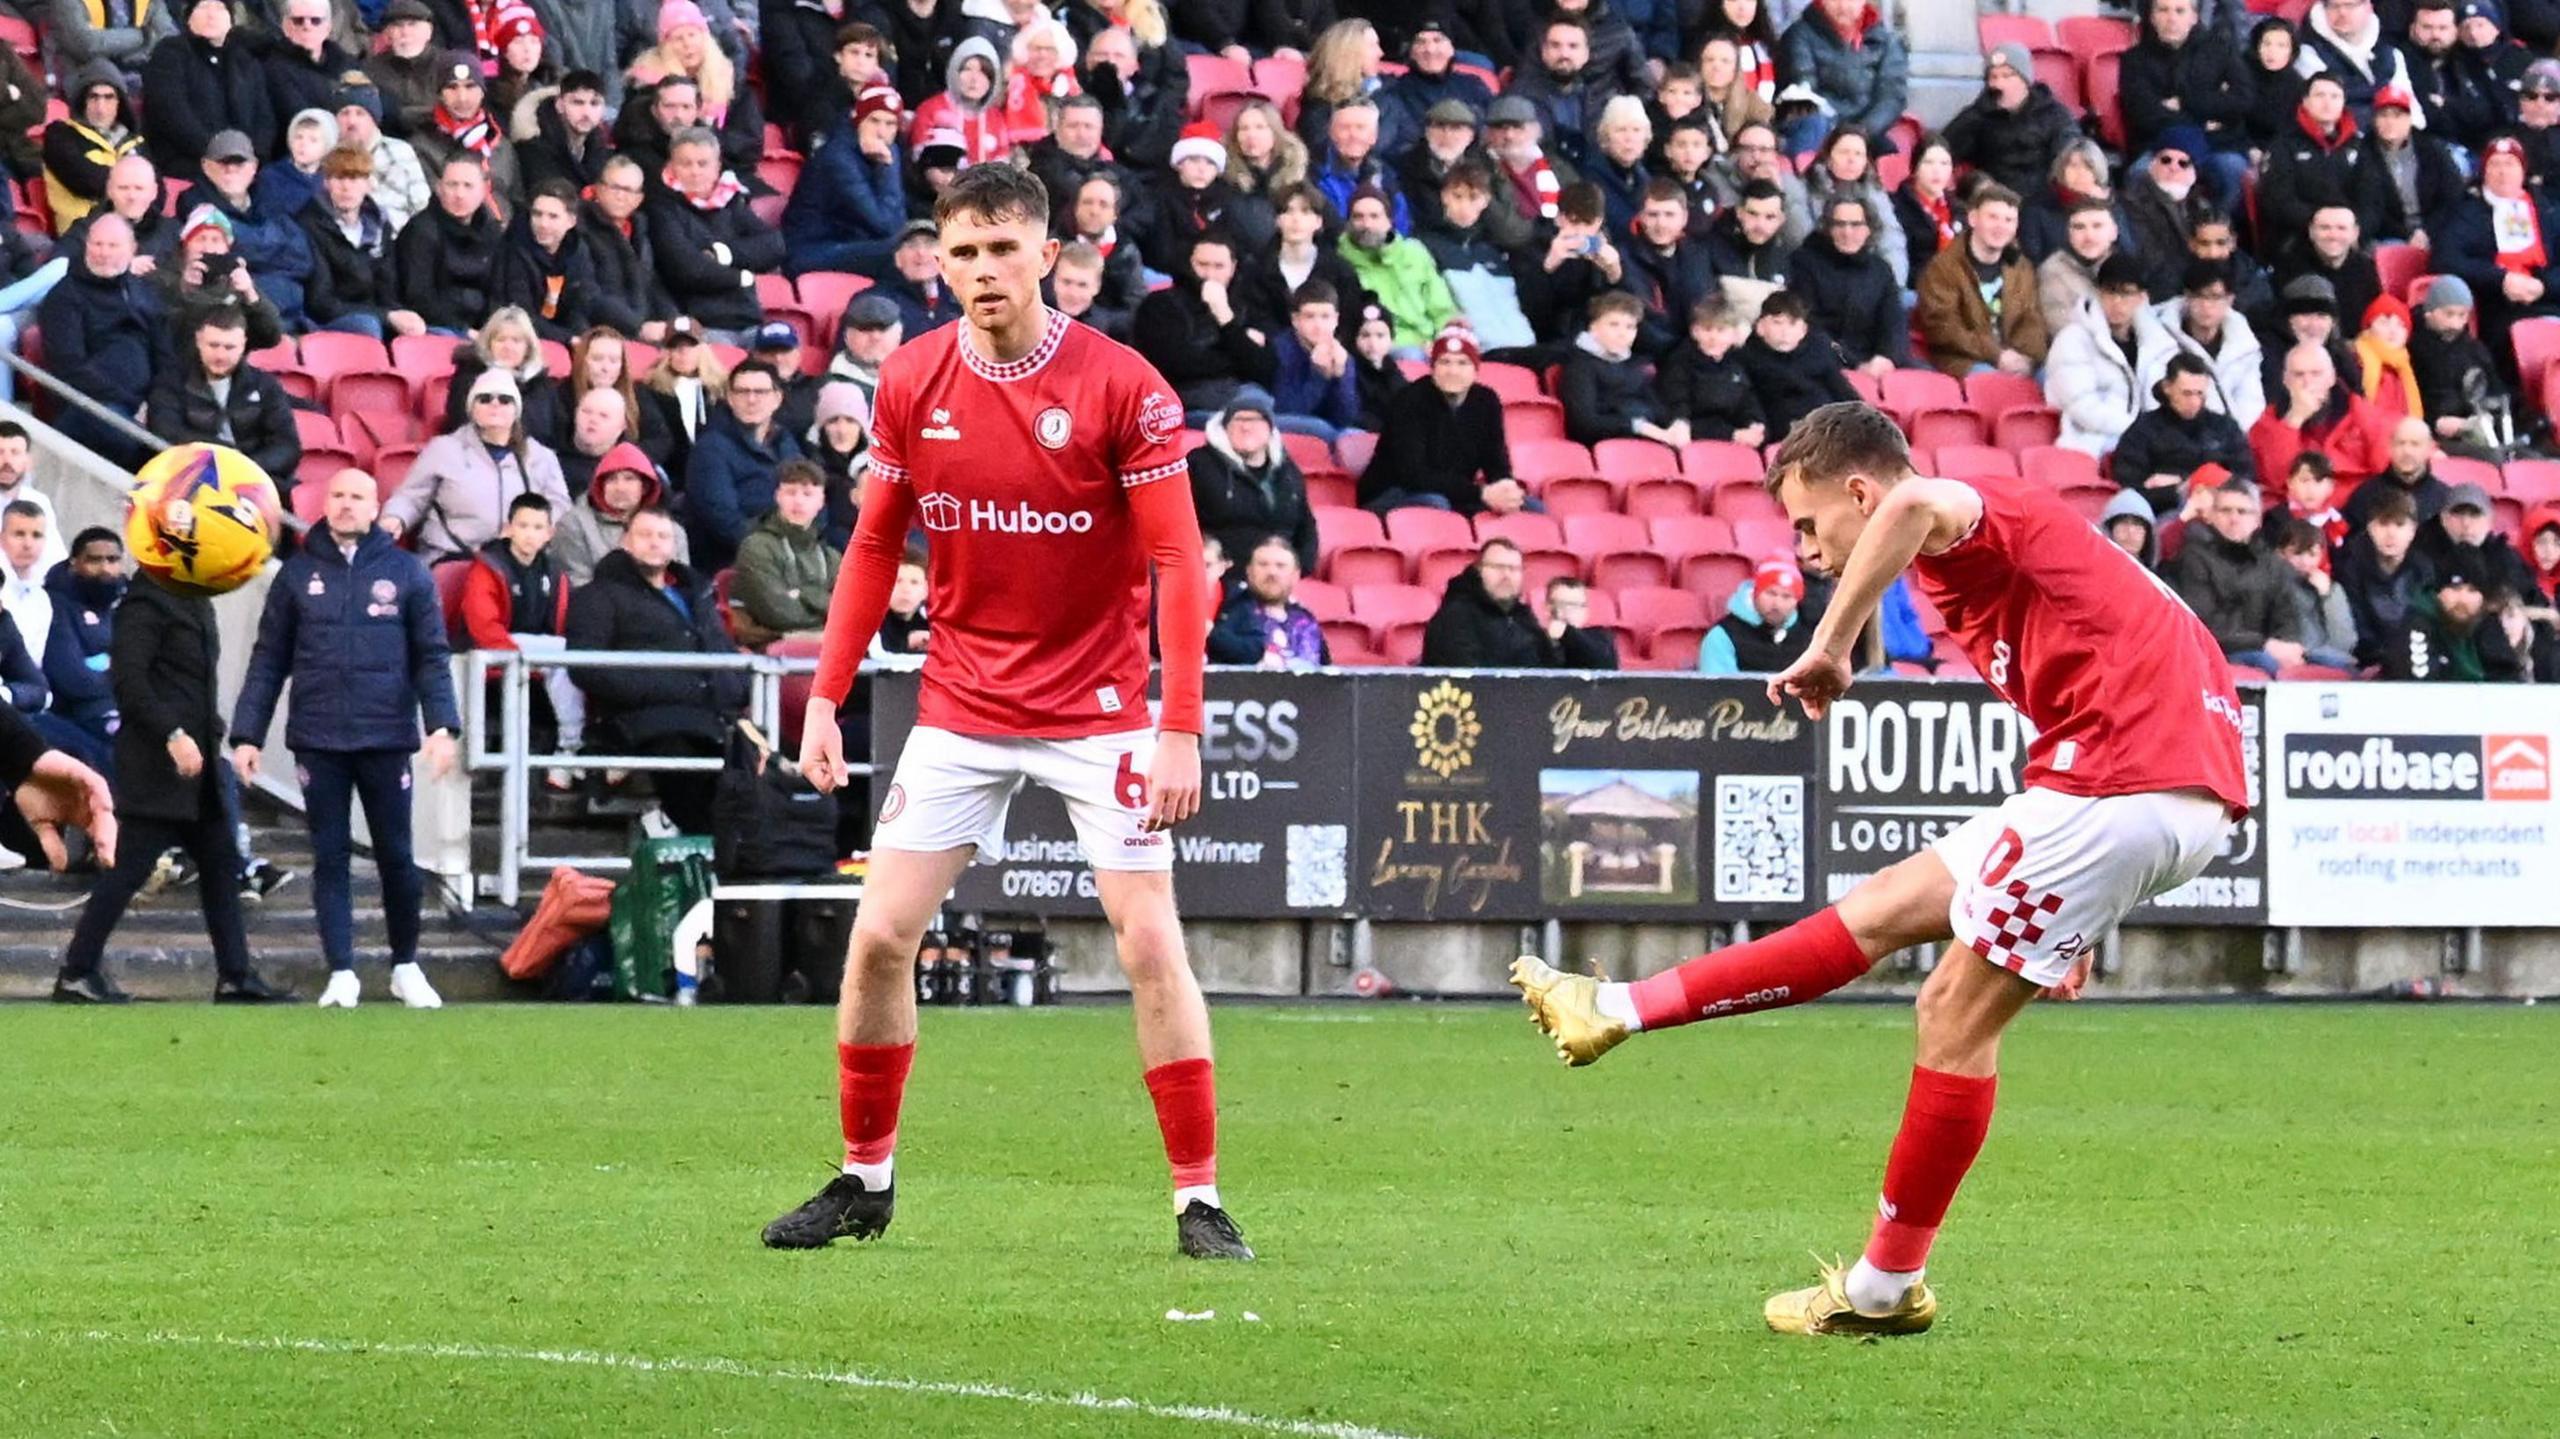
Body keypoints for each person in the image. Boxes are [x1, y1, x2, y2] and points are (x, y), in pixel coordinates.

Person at [1511, 401, 2249, 1337]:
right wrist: (2089, 905)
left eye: (1812, 525)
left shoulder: (1963, 514)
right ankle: (1611, 1009)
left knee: (1948, 1014)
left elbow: (1909, 509)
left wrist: (1830, 644)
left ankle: (1881, 1288)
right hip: (2137, 786)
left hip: (2123, 785)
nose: (1811, 552)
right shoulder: (2022, 552)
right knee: (1882, 909)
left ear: (1857, 489)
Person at [764, 164, 1249, 1263]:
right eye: (961, 251)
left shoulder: (1126, 386)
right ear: (938, 257)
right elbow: (875, 547)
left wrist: (1180, 723)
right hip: (962, 698)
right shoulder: (912, 377)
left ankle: (1198, 1197)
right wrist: (825, 698)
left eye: (1000, 250)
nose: (980, 270)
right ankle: (864, 1178)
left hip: (1102, 707)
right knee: (881, 933)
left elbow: (1179, 562)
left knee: (1145, 939)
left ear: (1046, 256)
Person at [231, 469, 460, 1009]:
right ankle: (342, 972)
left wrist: (443, 727)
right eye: (337, 495)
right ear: (323, 502)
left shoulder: (406, 573)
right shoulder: (296, 575)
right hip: (319, 738)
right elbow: (269, 659)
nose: (346, 505)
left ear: (376, 506)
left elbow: (431, 655)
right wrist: (247, 734)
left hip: (386, 737)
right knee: (329, 856)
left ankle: (405, 965)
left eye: (357, 496)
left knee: (397, 858)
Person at [47, 549, 281, 1003]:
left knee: (219, 866)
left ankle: (235, 974)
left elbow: (193, 684)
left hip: (198, 766)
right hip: (159, 767)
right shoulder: (145, 602)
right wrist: (171, 733)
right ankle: (77, 971)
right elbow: (130, 682)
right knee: (128, 870)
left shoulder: (191, 600)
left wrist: (211, 735)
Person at [564, 503, 740, 828]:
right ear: (624, 541)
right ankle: (709, 855)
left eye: (663, 536)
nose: (655, 542)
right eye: (645, 535)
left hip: (714, 720)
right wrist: (663, 690)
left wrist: (735, 693)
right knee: (685, 768)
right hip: (643, 722)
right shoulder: (599, 595)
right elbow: (584, 664)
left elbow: (725, 654)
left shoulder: (696, 596)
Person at [451, 491, 583, 772]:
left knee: (567, 652)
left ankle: (570, 748)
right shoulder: (488, 567)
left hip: (537, 656)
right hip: (490, 656)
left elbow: (561, 624)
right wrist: (518, 659)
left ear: (550, 533)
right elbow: (483, 629)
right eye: (522, 526)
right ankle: (571, 743)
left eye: (537, 527)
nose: (529, 535)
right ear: (508, 529)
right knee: (563, 653)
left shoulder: (555, 572)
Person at [389, 368, 575, 563]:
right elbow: (411, 496)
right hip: (450, 556)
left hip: (517, 560)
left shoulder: (541, 456)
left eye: (504, 400)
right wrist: (395, 518)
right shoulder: (443, 449)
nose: (495, 404)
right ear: (472, 408)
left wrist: (530, 531)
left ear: (516, 410)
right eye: (485, 399)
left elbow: (560, 505)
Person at [36, 218, 161, 466]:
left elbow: (164, 354)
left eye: (113, 245)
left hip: (144, 405)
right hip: (90, 405)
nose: (104, 253)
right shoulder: (64, 296)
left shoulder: (144, 291)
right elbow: (69, 367)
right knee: (134, 443)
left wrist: (157, 402)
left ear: (132, 249)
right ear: (86, 246)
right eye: (97, 244)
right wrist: (130, 402)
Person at [646, 127, 784, 342]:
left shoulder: (731, 201)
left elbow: (774, 246)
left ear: (717, 167)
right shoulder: (661, 208)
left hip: (748, 319)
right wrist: (742, 277)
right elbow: (689, 270)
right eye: (686, 164)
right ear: (671, 167)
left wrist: (722, 254)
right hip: (699, 325)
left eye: (703, 164)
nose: (695, 171)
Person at [1362, 326, 1519, 514]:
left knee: (1531, 507)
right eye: (1445, 362)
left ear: (1476, 369)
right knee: (1437, 504)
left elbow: (1496, 461)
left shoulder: (1487, 401)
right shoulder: (1409, 400)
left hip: (1456, 493)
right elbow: (1414, 474)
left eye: (1462, 363)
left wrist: (1506, 489)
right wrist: (1480, 493)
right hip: (1392, 492)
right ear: (1432, 367)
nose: (1453, 371)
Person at [145, 309, 303, 489]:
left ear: (243, 345)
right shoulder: (171, 381)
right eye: (213, 345)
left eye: (229, 347)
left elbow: (287, 445)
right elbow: (166, 431)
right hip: (191, 478)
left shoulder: (265, 385)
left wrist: (244, 468)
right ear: (198, 341)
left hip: (254, 480)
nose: (220, 356)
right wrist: (223, 457)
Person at [2166, 477, 2305, 672]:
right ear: (2211, 516)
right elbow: (2204, 624)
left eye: (2242, 511)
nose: (2234, 518)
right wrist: (2263, 644)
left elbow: (2288, 616)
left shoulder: (2272, 563)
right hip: (2219, 652)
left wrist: (2288, 645)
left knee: (2333, 666)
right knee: (2268, 664)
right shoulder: (2193, 558)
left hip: (2264, 649)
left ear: (2257, 519)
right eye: (2225, 510)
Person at [2047, 256, 2177, 459]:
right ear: (2098, 293)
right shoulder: (2073, 339)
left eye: (2126, 293)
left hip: (2149, 447)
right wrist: (2138, 431)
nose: (2117, 302)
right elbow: (2082, 406)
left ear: (2142, 298)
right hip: (2091, 445)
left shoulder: (2158, 343)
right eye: (2110, 292)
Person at [683, 357, 807, 569]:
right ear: (730, 398)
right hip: (736, 564)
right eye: (742, 392)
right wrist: (775, 552)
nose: (751, 399)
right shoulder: (710, 449)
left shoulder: (787, 443)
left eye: (760, 392)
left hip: (790, 556)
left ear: (777, 398)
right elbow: (724, 520)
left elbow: (812, 495)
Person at [1917, 185, 2047, 380]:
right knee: (1994, 383)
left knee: (2053, 378)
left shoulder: (2021, 267)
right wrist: (1997, 355)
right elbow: (1943, 329)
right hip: (1966, 360)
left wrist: (2025, 358)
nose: (2001, 226)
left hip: (2015, 358)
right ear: (1973, 219)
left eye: (2009, 220)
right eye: (1992, 217)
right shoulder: (1943, 268)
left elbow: (2031, 320)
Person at [1186, 388, 1316, 577]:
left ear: (1270, 427)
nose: (1246, 427)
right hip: (1224, 577)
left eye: (1255, 419)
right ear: (1225, 426)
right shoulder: (1199, 464)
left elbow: (1306, 527)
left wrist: (1300, 569)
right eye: (1238, 419)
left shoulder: (1288, 471)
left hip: (1278, 581)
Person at [784, 84, 909, 277]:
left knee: (926, 247)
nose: (881, 132)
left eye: (890, 124)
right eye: (874, 121)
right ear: (858, 120)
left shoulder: (889, 151)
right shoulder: (837, 157)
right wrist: (886, 169)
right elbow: (885, 226)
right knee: (906, 255)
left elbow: (897, 221)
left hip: (853, 242)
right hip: (811, 249)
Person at [141, 0, 276, 175]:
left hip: (245, 167)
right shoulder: (170, 53)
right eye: (204, 7)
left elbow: (265, 119)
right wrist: (218, 156)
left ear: (231, 22)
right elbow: (172, 115)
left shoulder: (245, 61)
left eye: (220, 8)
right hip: (189, 164)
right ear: (188, 19)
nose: (212, 14)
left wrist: (253, 157)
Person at [300, 144, 417, 342]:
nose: (346, 187)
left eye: (354, 179)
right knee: (367, 326)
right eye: (339, 178)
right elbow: (321, 302)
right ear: (326, 183)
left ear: (368, 184)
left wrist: (401, 316)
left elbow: (388, 289)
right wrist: (386, 316)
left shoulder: (380, 225)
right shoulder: (309, 225)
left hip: (377, 315)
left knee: (418, 331)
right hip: (329, 320)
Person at [2114, 354, 2257, 515]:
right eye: (2187, 394)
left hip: (2221, 514)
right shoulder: (2143, 430)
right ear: (2167, 387)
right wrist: (2175, 493)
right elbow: (2131, 491)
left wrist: (2185, 483)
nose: (2194, 402)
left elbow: (2245, 479)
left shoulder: (2225, 427)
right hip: (2165, 513)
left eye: (2200, 394)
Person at [1792, 193, 1907, 376]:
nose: (1847, 232)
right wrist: (1853, 364)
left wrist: (1887, 358)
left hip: (1873, 360)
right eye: (1839, 224)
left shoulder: (1880, 270)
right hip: (1823, 359)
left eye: (1856, 225)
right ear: (1828, 228)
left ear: (1869, 229)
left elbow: (1893, 323)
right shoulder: (1804, 263)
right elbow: (1809, 326)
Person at [728, 459, 840, 647]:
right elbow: (777, 614)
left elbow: (849, 612)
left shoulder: (831, 557)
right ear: (778, 496)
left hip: (827, 649)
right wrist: (824, 609)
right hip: (766, 652)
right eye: (790, 492)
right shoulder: (756, 546)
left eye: (807, 494)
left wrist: (803, 595)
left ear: (821, 501)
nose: (798, 501)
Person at [1943, 44, 2077, 200]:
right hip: (1995, 203)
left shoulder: (2054, 113)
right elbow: (1943, 150)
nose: (1999, 84)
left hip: (2043, 203)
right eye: (1993, 77)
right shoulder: (1978, 115)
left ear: (2025, 80)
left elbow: (2070, 155)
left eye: (2007, 76)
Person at [2144, 260, 2267, 429]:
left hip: (2234, 438)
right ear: (2187, 296)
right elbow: (2153, 399)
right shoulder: (2160, 338)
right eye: (2199, 296)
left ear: (2230, 300)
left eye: (2215, 297)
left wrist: (2235, 438)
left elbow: (2251, 401)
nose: (2206, 306)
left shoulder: (2243, 342)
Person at [1775, 0, 1905, 158]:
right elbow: (1804, 90)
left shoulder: (1886, 41)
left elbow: (1891, 97)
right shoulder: (1799, 35)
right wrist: (1839, 136)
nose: (1843, 6)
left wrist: (1860, 133)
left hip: (1866, 131)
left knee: (1890, 153)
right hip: (1819, 128)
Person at [2250, 341, 2387, 488]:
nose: (2307, 382)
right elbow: (2279, 478)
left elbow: (2385, 469)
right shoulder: (2266, 421)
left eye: (2316, 374)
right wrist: (2294, 419)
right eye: (2298, 375)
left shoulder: (2361, 413)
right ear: (2285, 380)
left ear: (2332, 377)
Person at [1562, 290, 1687, 451]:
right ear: (1593, 327)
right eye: (1614, 325)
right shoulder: (1580, 366)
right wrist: (1638, 426)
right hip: (1609, 450)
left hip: (1647, 446)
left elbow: (1658, 410)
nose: (1622, 334)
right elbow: (1583, 424)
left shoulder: (1635, 365)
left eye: (1630, 327)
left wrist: (1678, 423)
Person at [395, 153, 504, 334]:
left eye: (468, 186)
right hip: (435, 327)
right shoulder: (421, 230)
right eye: (452, 185)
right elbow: (418, 298)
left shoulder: (493, 232)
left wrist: (489, 332)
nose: (459, 194)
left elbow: (498, 293)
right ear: (439, 188)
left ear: (484, 190)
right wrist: (464, 330)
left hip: (483, 330)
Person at [2407, 275, 2514, 456]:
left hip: (2480, 429)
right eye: (2448, 314)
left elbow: (2497, 392)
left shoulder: (2475, 349)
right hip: (2436, 435)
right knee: (2493, 457)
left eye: (2462, 315)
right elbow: (2409, 398)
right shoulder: (2414, 350)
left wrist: (2489, 415)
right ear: (2429, 313)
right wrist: (2434, 422)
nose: (2455, 323)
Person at [554, 440, 685, 583]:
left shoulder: (671, 531)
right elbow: (577, 583)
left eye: (629, 479)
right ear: (600, 486)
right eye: (611, 479)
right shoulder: (574, 524)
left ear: (645, 487)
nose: (620, 488)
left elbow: (684, 585)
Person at [2334, 485, 2435, 664]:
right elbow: (2357, 622)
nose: (2391, 534)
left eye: (2399, 525)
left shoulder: (2423, 568)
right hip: (2366, 660)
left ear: (2413, 530)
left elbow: (2427, 621)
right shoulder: (2351, 567)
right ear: (2370, 528)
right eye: (2383, 524)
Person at [1741, 289, 1858, 442]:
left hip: (1828, 430)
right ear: (1760, 327)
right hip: (1785, 437)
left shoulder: (1819, 351)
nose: (1785, 332)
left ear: (1803, 330)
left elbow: (1843, 391)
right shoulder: (1745, 360)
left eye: (1792, 324)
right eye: (1777, 323)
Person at [1418, 538, 1555, 667]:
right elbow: (1469, 677)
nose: (1506, 576)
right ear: (1478, 570)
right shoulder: (1455, 616)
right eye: (1498, 567)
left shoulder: (1523, 616)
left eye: (1514, 569)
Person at [2379, 564, 2526, 679]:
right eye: (2454, 589)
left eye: (2472, 590)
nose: (2462, 599)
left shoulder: (2485, 622)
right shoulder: (2418, 623)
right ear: (2438, 593)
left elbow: (2508, 679)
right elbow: (2420, 688)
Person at [1206, 535, 1328, 668]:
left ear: (1296, 574)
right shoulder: (1231, 611)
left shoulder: (1306, 618)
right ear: (1249, 571)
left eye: (1281, 566)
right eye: (1263, 564)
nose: (1272, 572)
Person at [1659, 297, 1765, 445]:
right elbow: (1679, 416)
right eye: (1707, 329)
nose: (1713, 337)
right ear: (1695, 331)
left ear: (1734, 334)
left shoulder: (1737, 365)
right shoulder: (1680, 364)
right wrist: (1731, 434)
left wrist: (1755, 424)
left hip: (1736, 441)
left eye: (1721, 330)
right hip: (1696, 443)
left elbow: (1747, 402)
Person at [332, 77, 431, 235]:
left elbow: (423, 206)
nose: (351, 121)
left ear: (374, 119)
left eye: (360, 113)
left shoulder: (400, 152)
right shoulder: (327, 159)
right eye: (344, 113)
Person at [2272, 517, 2361, 668]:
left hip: (2327, 657)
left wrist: (2328, 597)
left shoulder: (2332, 589)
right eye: (2298, 554)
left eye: (2312, 554)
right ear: (2280, 554)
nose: (2305, 561)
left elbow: (2345, 642)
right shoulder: (2269, 585)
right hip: (2286, 658)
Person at [1698, 556, 1809, 674]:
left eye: (1786, 596)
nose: (1777, 604)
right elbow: (1717, 689)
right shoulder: (1723, 636)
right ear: (1754, 593)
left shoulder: (1810, 637)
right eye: (1770, 593)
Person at [517, 69, 616, 196]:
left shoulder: (600, 147)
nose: (586, 112)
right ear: (560, 105)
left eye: (594, 103)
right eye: (577, 103)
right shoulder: (534, 147)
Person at [1540, 576, 1620, 669]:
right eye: (1562, 604)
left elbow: (1605, 664)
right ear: (1547, 608)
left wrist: (1567, 632)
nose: (1569, 611)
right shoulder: (1534, 640)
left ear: (1585, 611)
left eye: (1576, 605)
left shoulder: (1600, 638)